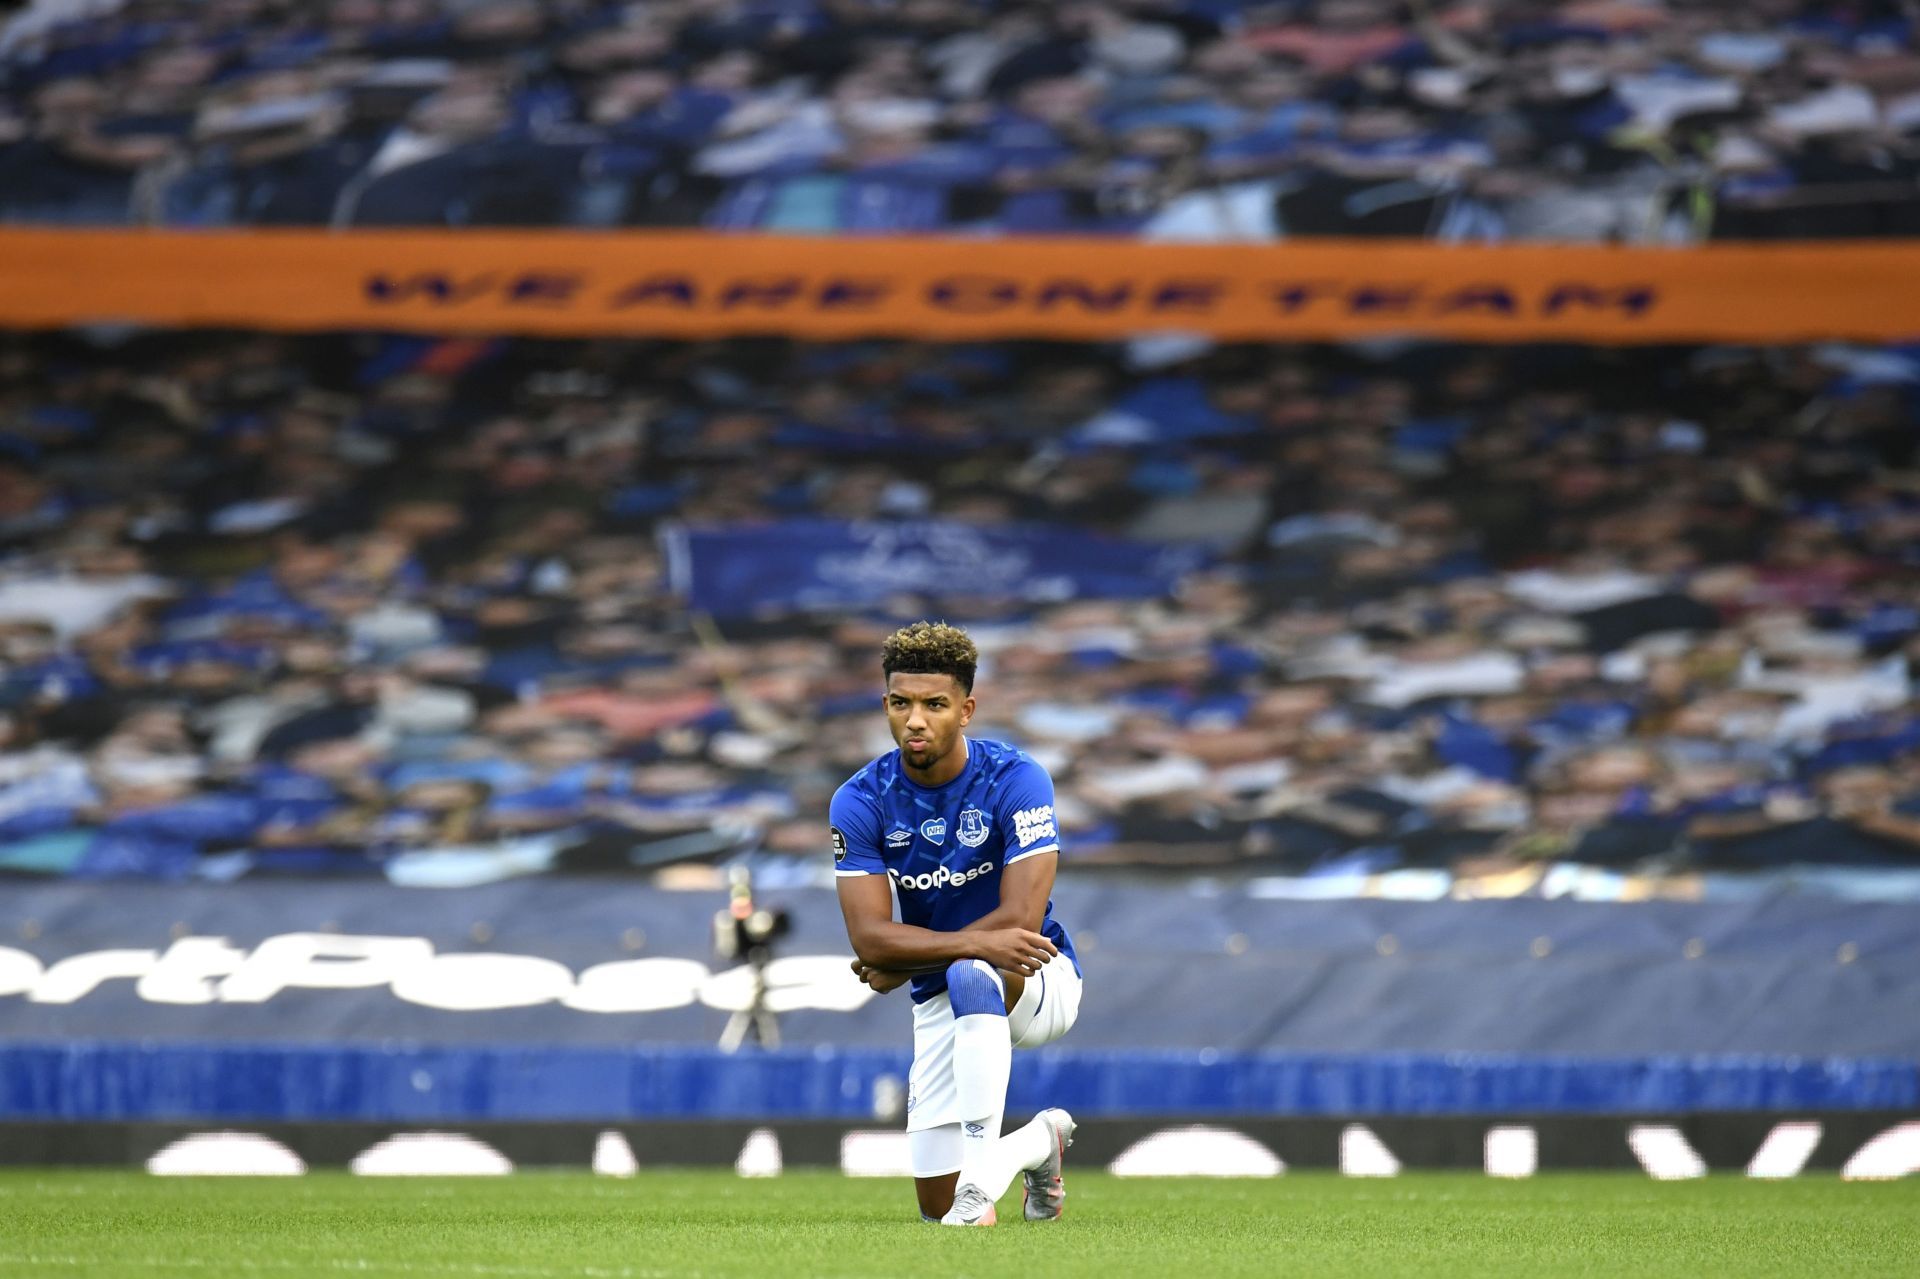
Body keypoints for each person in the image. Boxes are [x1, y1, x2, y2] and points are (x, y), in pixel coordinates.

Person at [830, 620, 1083, 1226]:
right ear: (886, 705)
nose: (915, 720)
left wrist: (907, 956)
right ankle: (1035, 1143)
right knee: (933, 1209)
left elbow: (1018, 924)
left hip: (1037, 975)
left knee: (976, 969)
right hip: (937, 994)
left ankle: (980, 1178)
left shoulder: (1017, 779)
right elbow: (868, 938)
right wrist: (906, 956)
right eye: (901, 703)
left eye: (934, 704)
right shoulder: (860, 799)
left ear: (966, 710)